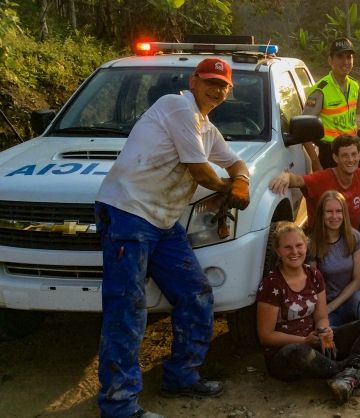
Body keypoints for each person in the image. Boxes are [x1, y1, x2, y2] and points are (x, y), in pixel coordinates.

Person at [94, 58, 250, 418]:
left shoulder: (206, 128)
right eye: (209, 81)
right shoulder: (176, 106)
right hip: (128, 214)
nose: (215, 88)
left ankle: (181, 376)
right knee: (127, 310)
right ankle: (119, 406)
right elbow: (199, 171)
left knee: (196, 294)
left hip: (162, 222)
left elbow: (236, 162)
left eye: (222, 84)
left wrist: (240, 179)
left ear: (229, 91)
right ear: (193, 81)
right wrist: (231, 187)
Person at [256, 222, 360, 404]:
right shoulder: (271, 285)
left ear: (306, 246)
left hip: (314, 343)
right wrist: (304, 341)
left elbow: (321, 316)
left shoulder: (314, 275)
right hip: (286, 354)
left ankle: (349, 374)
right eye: (287, 247)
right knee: (299, 352)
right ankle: (355, 370)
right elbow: (266, 336)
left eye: (299, 246)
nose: (294, 252)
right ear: (278, 251)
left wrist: (325, 333)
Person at [268, 134, 360, 264]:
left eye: (354, 154)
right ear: (335, 157)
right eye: (345, 155)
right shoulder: (322, 178)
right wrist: (286, 176)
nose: (351, 160)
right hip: (324, 244)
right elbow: (298, 180)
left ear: (359, 155)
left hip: (350, 242)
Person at [309, 190, 360, 327]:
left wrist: (335, 305)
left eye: (339, 211)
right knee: (323, 332)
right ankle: (354, 327)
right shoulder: (313, 243)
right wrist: (326, 309)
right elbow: (313, 287)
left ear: (344, 213)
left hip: (352, 295)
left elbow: (358, 280)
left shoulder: (353, 237)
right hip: (326, 302)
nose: (334, 216)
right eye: (329, 211)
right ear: (321, 214)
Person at [302, 37, 360, 171]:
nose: (346, 62)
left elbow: (353, 122)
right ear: (330, 60)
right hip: (330, 154)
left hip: (351, 153)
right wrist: (315, 162)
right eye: (340, 57)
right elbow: (304, 131)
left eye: (349, 57)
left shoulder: (355, 86)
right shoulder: (321, 90)